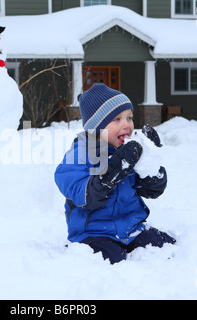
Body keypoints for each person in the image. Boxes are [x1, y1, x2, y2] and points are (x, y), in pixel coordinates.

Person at [54, 83, 175, 264]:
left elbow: (152, 190)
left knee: (162, 246)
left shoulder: (128, 152)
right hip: (93, 232)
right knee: (111, 258)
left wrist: (151, 161)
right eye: (117, 119)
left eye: (129, 118)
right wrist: (113, 170)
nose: (127, 124)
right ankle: (80, 253)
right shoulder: (79, 155)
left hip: (130, 228)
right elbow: (83, 194)